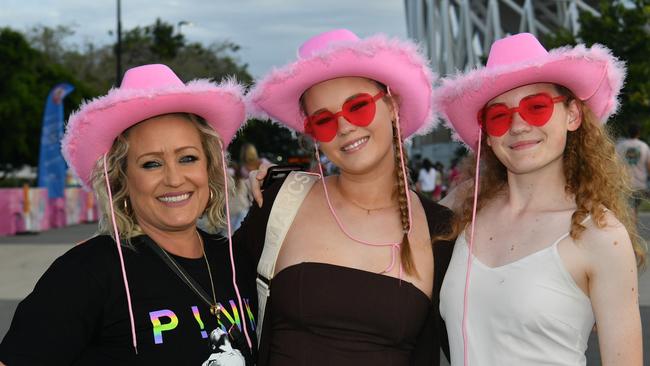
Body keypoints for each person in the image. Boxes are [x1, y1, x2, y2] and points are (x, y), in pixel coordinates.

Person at [0, 64, 256, 365]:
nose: (174, 179)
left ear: (208, 168)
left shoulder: (236, 260)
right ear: (122, 180)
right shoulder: (86, 273)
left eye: (188, 158)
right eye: (151, 164)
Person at [242, 29, 455, 365]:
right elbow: (210, 284)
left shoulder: (442, 230)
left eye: (357, 107)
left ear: (392, 106)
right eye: (324, 121)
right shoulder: (279, 203)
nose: (344, 128)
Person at [434, 33, 645, 365]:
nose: (518, 125)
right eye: (499, 116)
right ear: (487, 135)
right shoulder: (462, 210)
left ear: (573, 115)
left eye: (536, 108)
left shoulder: (601, 235)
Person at [616, 123, 650, 220]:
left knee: (629, 207)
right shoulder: (644, 146)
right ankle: (632, 228)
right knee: (634, 207)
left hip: (624, 183)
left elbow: (614, 163)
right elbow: (648, 165)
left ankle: (630, 229)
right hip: (640, 183)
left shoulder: (620, 146)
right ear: (639, 133)